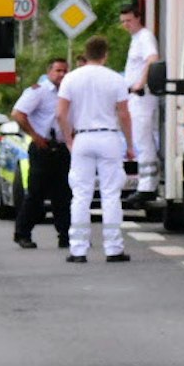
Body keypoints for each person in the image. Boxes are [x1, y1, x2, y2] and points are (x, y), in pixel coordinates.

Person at [57, 35, 134, 263]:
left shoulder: (71, 78)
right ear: (105, 54)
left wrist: (68, 137)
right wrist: (129, 144)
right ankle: (113, 248)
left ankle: (78, 249)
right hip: (108, 137)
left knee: (80, 195)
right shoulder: (115, 79)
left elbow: (60, 113)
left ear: (85, 53)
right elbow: (124, 114)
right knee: (111, 194)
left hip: (82, 137)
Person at [10, 58, 72, 250]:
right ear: (49, 72)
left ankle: (65, 235)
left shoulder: (68, 92)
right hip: (43, 147)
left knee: (63, 195)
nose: (61, 75)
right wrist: (35, 136)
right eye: (58, 71)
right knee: (36, 194)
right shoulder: (39, 91)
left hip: (62, 148)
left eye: (64, 71)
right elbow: (18, 113)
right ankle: (23, 233)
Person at [120, 6, 161, 202]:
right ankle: (147, 182)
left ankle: (147, 186)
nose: (126, 25)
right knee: (143, 138)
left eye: (129, 20)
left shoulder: (144, 37)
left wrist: (140, 83)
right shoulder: (135, 39)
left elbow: (152, 59)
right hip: (136, 95)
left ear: (138, 18)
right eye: (123, 22)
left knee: (142, 139)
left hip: (142, 95)